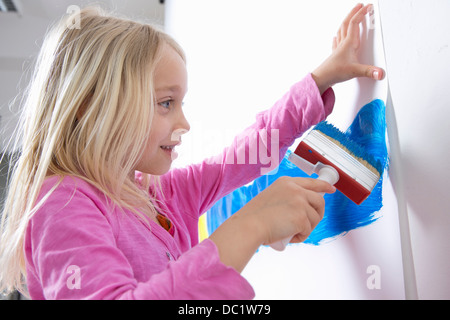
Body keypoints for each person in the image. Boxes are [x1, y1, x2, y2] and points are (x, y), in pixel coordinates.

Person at [0, 3, 383, 299]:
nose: (184, 123)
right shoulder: (61, 203)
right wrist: (252, 224)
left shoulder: (161, 195)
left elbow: (249, 151)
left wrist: (322, 79)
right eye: (166, 103)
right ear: (93, 106)